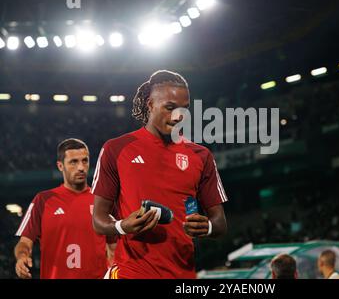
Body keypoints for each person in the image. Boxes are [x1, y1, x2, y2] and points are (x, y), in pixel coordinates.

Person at [92, 70, 228, 279]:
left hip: (183, 274)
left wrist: (208, 226)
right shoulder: (116, 149)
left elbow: (220, 222)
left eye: (185, 108)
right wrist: (121, 226)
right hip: (132, 272)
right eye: (170, 108)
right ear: (150, 104)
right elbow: (98, 219)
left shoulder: (201, 156)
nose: (179, 116)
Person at [14, 138, 115, 279]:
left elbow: (113, 248)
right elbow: (24, 242)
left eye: (84, 161)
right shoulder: (43, 200)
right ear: (60, 166)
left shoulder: (101, 201)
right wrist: (21, 257)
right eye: (73, 162)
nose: (81, 167)